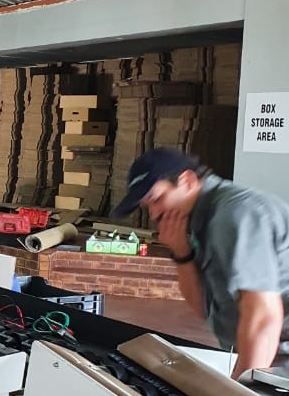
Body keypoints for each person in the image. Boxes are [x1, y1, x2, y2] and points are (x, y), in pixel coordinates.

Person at [113, 149, 289, 379]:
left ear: (187, 180)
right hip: (266, 355)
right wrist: (181, 253)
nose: (154, 214)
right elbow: (204, 310)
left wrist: (240, 391)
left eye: (157, 199)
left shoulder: (236, 214)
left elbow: (264, 317)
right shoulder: (203, 222)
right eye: (148, 206)